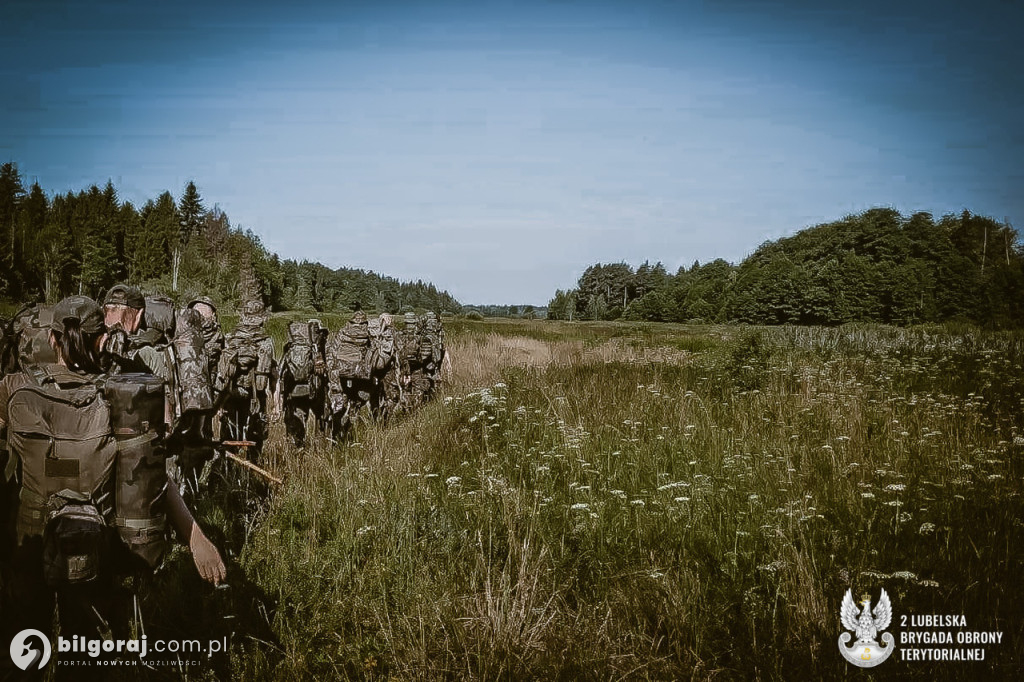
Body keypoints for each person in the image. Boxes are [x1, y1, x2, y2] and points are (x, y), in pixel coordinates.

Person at [0, 295, 225, 678]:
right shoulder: (120, 398)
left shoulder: (11, 389)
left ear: (52, 339)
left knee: (20, 654)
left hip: (27, 548)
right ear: (101, 340)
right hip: (93, 548)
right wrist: (196, 538)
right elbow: (155, 478)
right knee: (87, 659)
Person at [216, 299, 276, 459]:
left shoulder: (230, 338)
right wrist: (275, 401)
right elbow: (271, 371)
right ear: (262, 317)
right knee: (255, 435)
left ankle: (227, 465)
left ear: (243, 315)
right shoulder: (266, 341)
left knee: (229, 433)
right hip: (255, 396)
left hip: (231, 394)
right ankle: (253, 466)